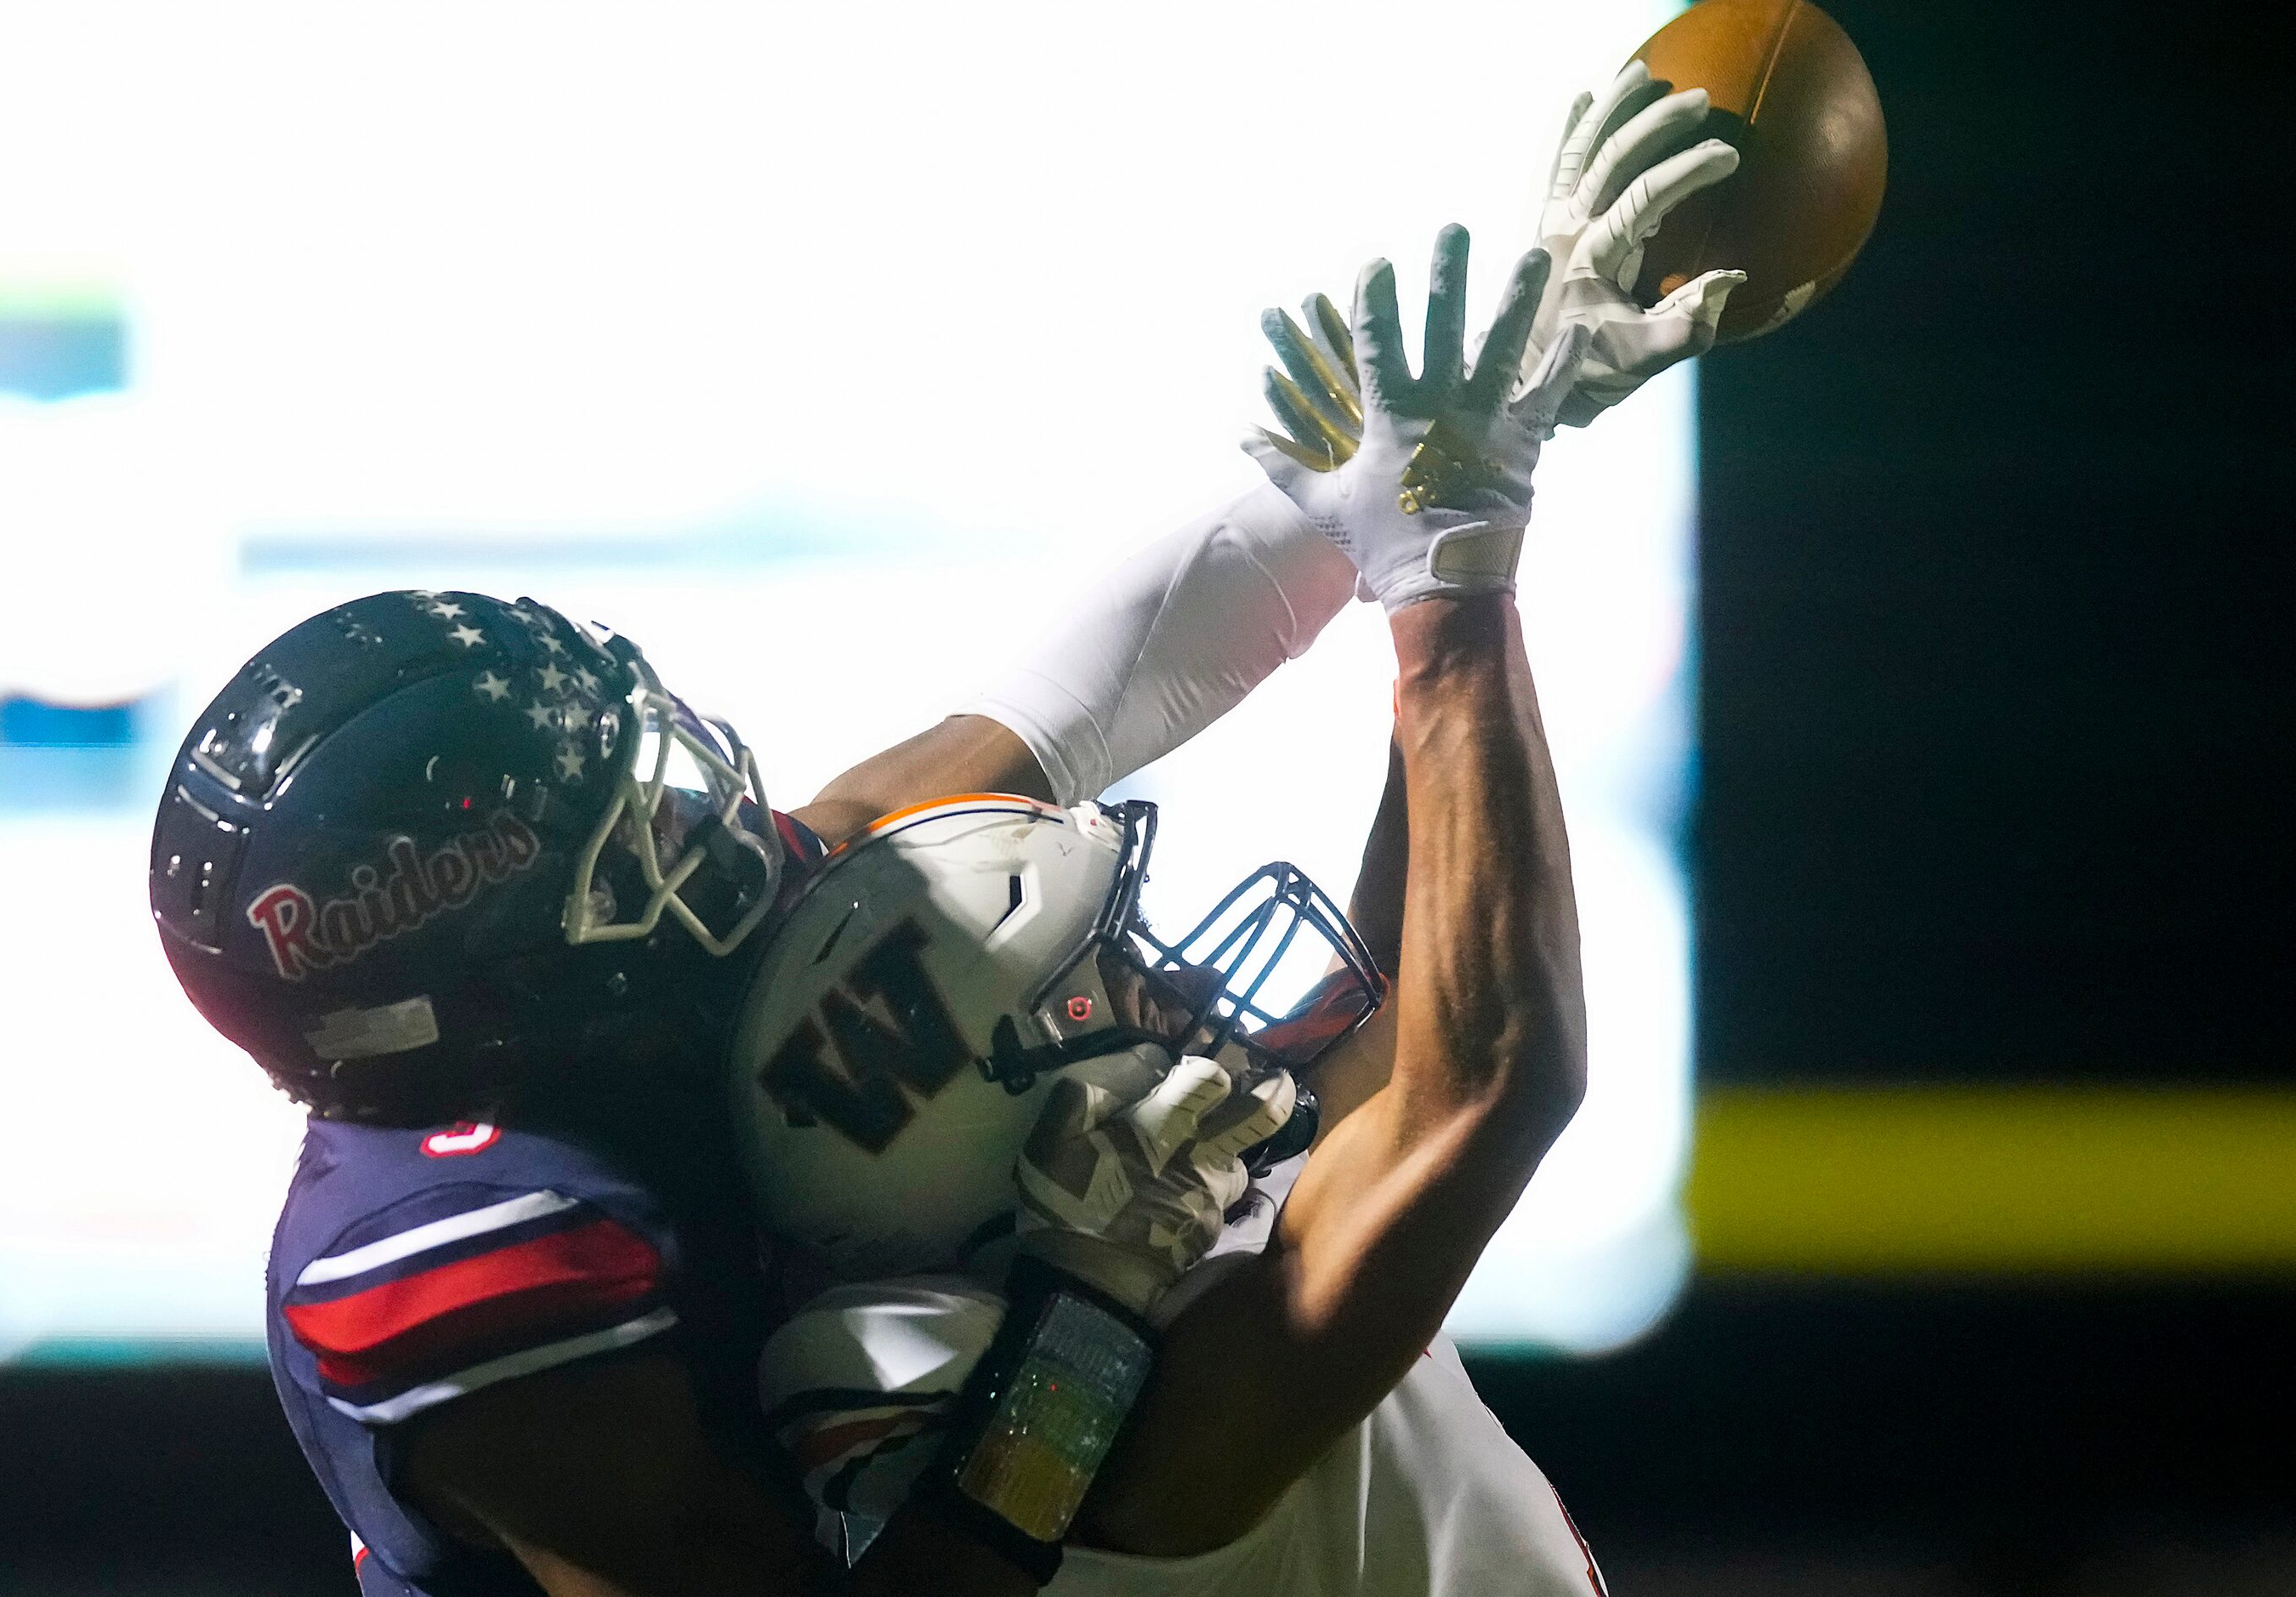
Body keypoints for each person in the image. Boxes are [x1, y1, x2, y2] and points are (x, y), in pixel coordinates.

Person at [147, 60, 1731, 1596]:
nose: (730, 832)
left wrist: (1405, 464)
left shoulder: (764, 1017)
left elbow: (1067, 706)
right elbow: (1476, 1082)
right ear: (509, 994)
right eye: (1091, 991)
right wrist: (1084, 1326)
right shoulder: (472, 1268)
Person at [748, 63, 1742, 1595]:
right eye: (1121, 981)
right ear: (1002, 1145)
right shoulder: (1003, 1391)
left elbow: (1399, 1029)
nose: (1174, 986)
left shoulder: (1005, 1227)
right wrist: (1452, 584)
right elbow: (1478, 1083)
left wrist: (1482, 449)